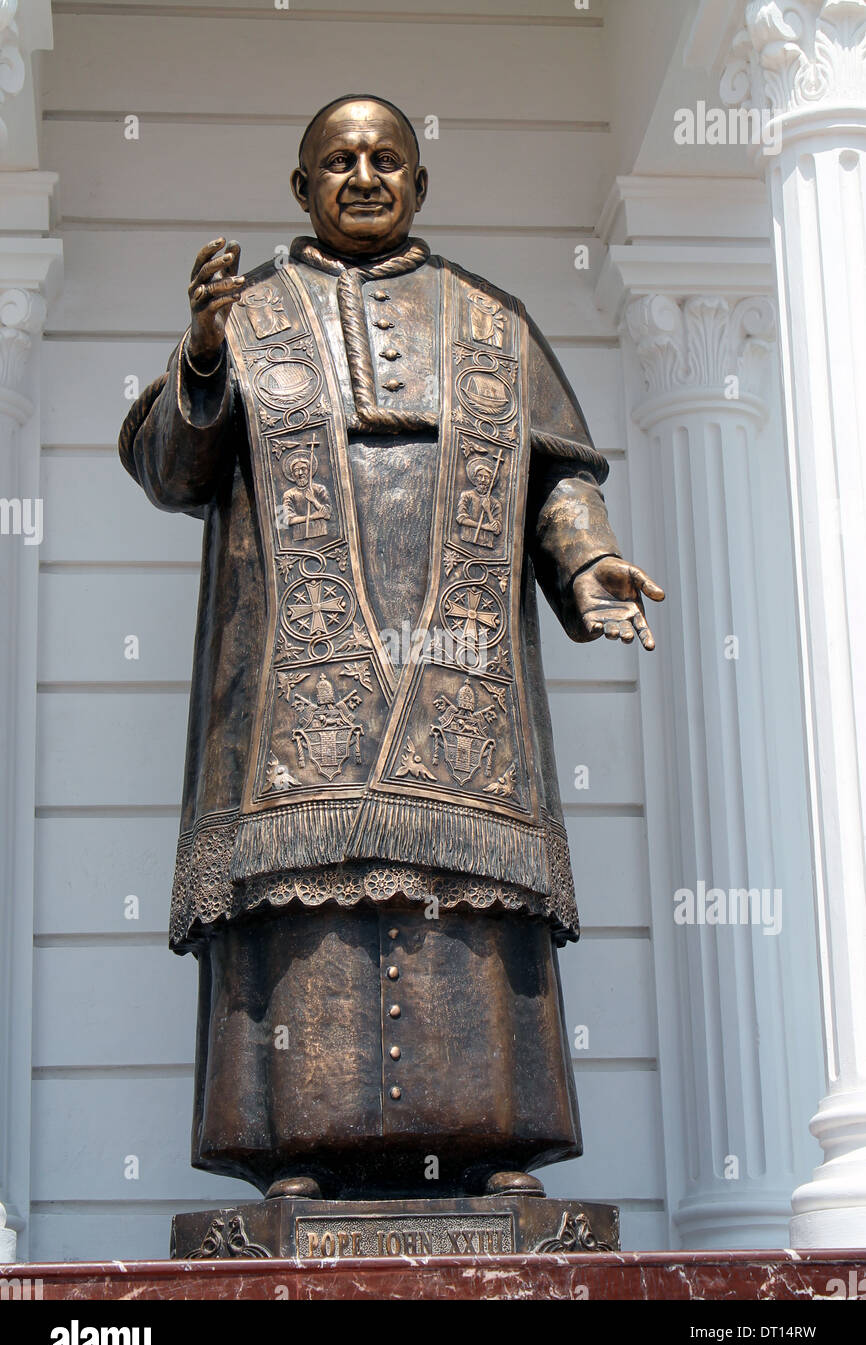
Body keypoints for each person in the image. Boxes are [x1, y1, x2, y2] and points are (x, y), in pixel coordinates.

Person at [118, 94, 664, 1202]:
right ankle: (295, 1148)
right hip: (290, 678)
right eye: (338, 161)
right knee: (303, 908)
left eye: (385, 159)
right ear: (300, 188)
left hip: (460, 671)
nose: (362, 176)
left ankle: (487, 1138)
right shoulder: (248, 315)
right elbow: (171, 471)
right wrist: (203, 356)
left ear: (417, 182)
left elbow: (558, 473)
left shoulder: (490, 322)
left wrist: (584, 560)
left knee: (466, 898)